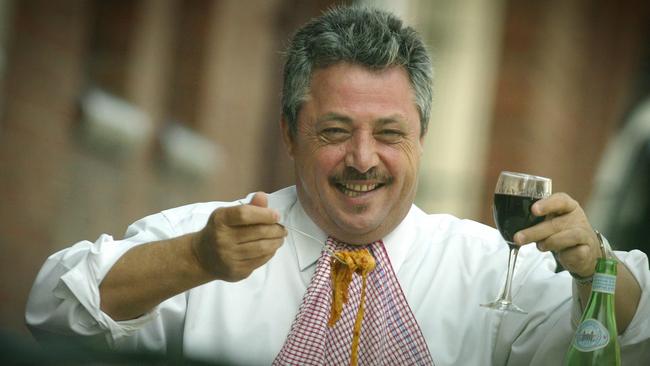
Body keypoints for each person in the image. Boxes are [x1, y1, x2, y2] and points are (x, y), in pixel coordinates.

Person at [26, 5, 649, 366]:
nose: (362, 158)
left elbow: (633, 323)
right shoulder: (214, 239)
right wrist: (193, 259)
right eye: (334, 130)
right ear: (290, 134)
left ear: (421, 139)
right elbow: (52, 310)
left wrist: (595, 263)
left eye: (388, 132)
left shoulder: (485, 267)